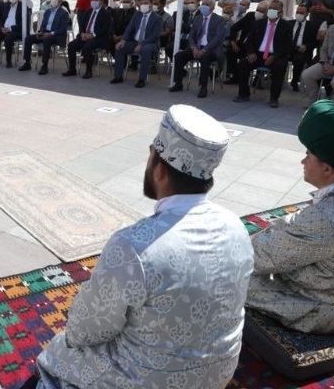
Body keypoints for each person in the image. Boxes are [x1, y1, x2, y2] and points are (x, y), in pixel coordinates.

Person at [30, 105, 253, 389]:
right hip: (217, 375)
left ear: (158, 168)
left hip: (149, 381)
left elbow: (85, 331)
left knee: (59, 351)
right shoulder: (236, 226)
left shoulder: (134, 245)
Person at [247, 100, 334, 335]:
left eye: (308, 155)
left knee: (233, 275)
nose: (303, 161)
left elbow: (259, 258)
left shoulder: (327, 219)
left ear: (327, 170)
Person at [233, 0, 292, 108]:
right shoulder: (259, 23)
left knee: (279, 67)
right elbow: (249, 41)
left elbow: (287, 46)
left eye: (274, 9)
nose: (271, 11)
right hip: (258, 54)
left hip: (275, 55)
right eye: (270, 9)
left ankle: (274, 98)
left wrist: (274, 56)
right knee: (243, 64)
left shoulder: (286, 26)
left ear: (280, 12)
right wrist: (251, 53)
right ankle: (243, 93)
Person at [169, 0, 228, 97]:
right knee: (179, 56)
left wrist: (204, 50)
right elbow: (191, 36)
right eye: (203, 4)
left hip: (211, 50)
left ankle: (203, 87)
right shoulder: (198, 18)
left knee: (205, 58)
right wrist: (194, 48)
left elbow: (217, 39)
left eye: (207, 4)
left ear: (213, 7)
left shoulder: (219, 20)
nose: (204, 6)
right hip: (197, 48)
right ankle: (178, 83)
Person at [111, 0, 162, 88]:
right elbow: (129, 28)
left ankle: (142, 79)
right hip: (135, 41)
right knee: (119, 47)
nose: (143, 5)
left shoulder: (157, 18)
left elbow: (154, 36)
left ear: (151, 4)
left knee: (145, 50)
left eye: (146, 3)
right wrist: (123, 40)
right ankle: (118, 76)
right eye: (142, 3)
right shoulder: (137, 15)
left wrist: (142, 44)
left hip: (150, 43)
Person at [63, 0, 111, 79]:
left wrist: (93, 35)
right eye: (92, 0)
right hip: (85, 36)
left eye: (96, 0)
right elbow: (82, 25)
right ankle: (72, 69)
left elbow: (105, 29)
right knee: (71, 45)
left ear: (101, 1)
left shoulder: (106, 14)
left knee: (88, 47)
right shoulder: (88, 12)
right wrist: (82, 33)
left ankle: (89, 71)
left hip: (98, 38)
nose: (93, 2)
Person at [20, 0, 68, 75]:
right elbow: (43, 25)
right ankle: (27, 63)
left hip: (56, 35)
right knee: (28, 38)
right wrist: (40, 31)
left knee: (47, 40)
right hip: (45, 33)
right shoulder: (48, 11)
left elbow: (63, 29)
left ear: (60, 1)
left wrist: (51, 33)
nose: (53, 0)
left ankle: (44, 66)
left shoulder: (64, 12)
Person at [289, 4, 321, 92]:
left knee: (299, 59)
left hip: (303, 51)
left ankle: (295, 81)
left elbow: (315, 42)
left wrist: (306, 46)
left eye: (302, 13)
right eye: (297, 12)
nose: (299, 14)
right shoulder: (289, 24)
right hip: (289, 49)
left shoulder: (312, 26)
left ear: (307, 14)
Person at [225, 0, 256, 84]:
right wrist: (233, 41)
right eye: (240, 4)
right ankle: (235, 75)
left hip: (254, 48)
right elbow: (234, 28)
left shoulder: (265, 21)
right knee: (230, 51)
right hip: (242, 44)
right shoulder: (249, 16)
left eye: (244, 5)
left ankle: (256, 79)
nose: (241, 6)